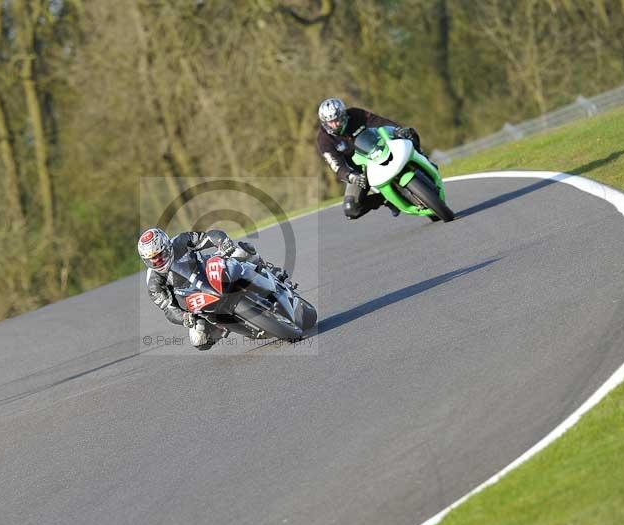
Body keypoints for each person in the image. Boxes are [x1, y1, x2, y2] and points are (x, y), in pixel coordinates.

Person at [138, 227, 288, 351]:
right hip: (195, 301)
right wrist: (184, 318)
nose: (158, 260)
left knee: (239, 252)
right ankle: (228, 326)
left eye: (159, 254)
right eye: (152, 258)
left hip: (207, 272)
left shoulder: (180, 241)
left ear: (167, 246)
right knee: (199, 340)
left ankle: (268, 271)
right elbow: (168, 308)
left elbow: (208, 237)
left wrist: (223, 243)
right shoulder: (153, 283)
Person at [316, 97, 424, 220]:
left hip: (378, 150)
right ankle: (386, 198)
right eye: (331, 122)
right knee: (351, 209)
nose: (335, 124)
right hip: (359, 172)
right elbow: (336, 165)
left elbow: (379, 122)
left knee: (409, 133)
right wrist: (351, 176)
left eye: (337, 120)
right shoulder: (323, 140)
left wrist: (398, 130)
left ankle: (422, 158)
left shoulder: (355, 114)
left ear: (343, 115)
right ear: (324, 122)